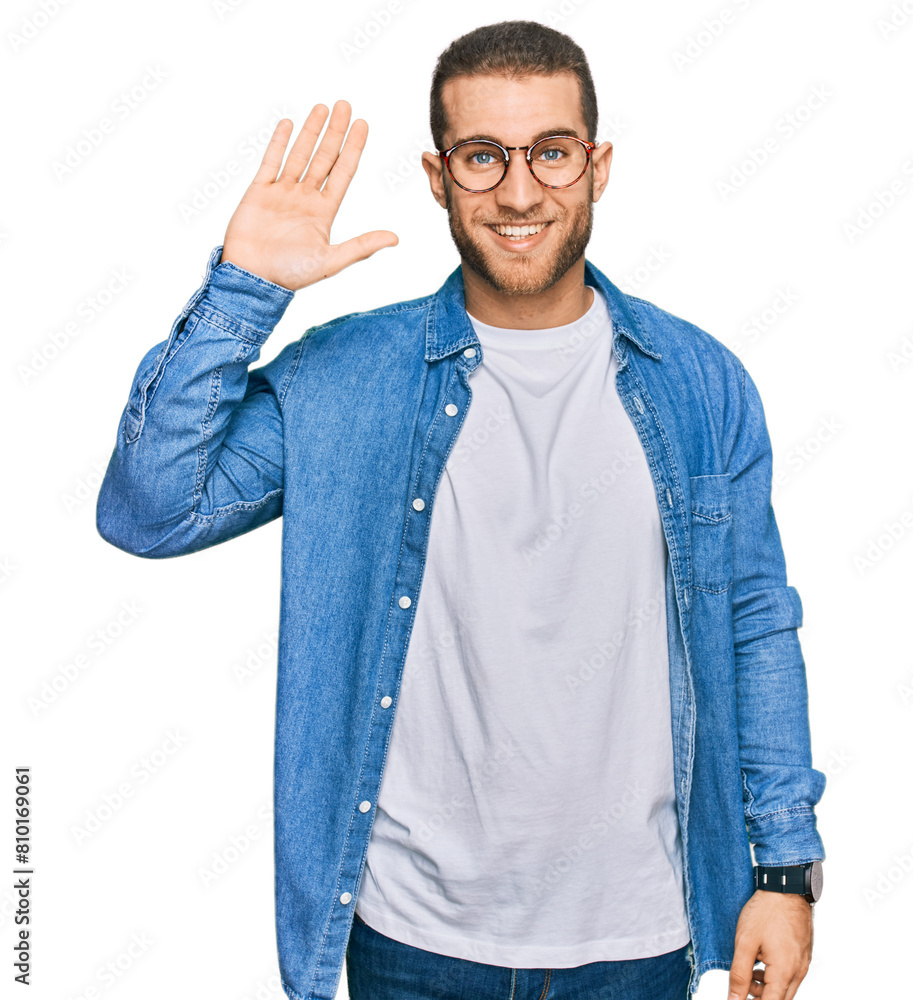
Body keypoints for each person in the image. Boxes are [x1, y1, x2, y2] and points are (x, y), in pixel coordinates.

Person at [96, 19, 826, 1000]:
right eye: (484, 156)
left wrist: (784, 869)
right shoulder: (348, 376)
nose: (520, 192)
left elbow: (756, 622)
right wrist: (246, 288)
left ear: (597, 165)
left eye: (551, 152)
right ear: (439, 176)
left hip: (637, 941)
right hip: (412, 944)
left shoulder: (700, 383)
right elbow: (148, 509)